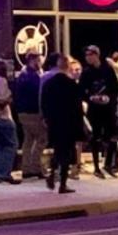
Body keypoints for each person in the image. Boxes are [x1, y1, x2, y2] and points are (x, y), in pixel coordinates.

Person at [41, 54, 85, 194]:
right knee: (66, 152)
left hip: (54, 122)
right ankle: (63, 183)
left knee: (58, 149)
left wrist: (46, 119)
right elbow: (77, 107)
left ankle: (52, 172)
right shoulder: (71, 84)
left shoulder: (49, 84)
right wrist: (79, 125)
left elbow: (44, 103)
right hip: (68, 122)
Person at [80, 46, 118, 179]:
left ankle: (108, 164)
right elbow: (81, 90)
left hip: (108, 108)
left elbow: (116, 88)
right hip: (94, 109)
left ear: (96, 55)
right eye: (86, 55)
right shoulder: (86, 73)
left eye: (90, 54)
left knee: (112, 137)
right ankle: (97, 167)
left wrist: (109, 98)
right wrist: (90, 98)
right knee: (95, 137)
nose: (87, 57)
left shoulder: (107, 70)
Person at [14, 54, 46, 180]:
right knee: (42, 137)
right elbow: (38, 94)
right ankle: (36, 167)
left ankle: (26, 168)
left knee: (28, 140)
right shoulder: (33, 76)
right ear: (33, 61)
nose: (41, 62)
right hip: (33, 112)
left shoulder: (22, 75)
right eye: (39, 60)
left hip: (22, 112)